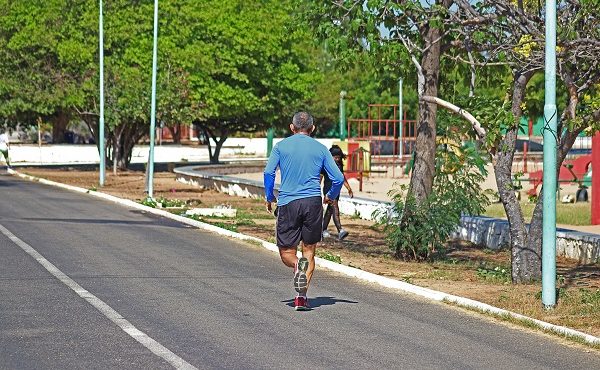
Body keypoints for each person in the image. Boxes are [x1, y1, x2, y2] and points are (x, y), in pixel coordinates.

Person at [264, 112, 344, 311]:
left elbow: (268, 172)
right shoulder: (320, 149)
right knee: (309, 251)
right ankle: (301, 297)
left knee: (286, 252)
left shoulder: (281, 146)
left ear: (292, 128)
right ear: (313, 128)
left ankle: (296, 264)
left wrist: (269, 196)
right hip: (312, 203)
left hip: (288, 203)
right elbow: (338, 178)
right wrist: (331, 195)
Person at [321, 145, 354, 240]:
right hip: (328, 190)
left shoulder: (339, 165)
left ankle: (323, 229)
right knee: (335, 208)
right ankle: (340, 230)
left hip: (336, 191)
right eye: (335, 157)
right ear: (330, 156)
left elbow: (342, 177)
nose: (337, 159)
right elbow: (320, 177)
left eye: (339, 158)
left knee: (330, 210)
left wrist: (349, 188)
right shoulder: (325, 165)